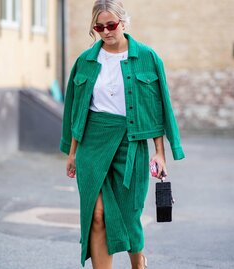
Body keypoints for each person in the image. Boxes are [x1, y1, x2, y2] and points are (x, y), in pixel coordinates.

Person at [60, 1, 185, 268]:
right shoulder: (85, 61)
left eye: (111, 25)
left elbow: (157, 107)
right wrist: (72, 153)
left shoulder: (147, 57)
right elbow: (76, 111)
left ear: (123, 23)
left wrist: (160, 153)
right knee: (97, 215)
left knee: (130, 216)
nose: (106, 31)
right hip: (92, 145)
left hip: (131, 144)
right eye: (99, 27)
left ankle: (138, 262)